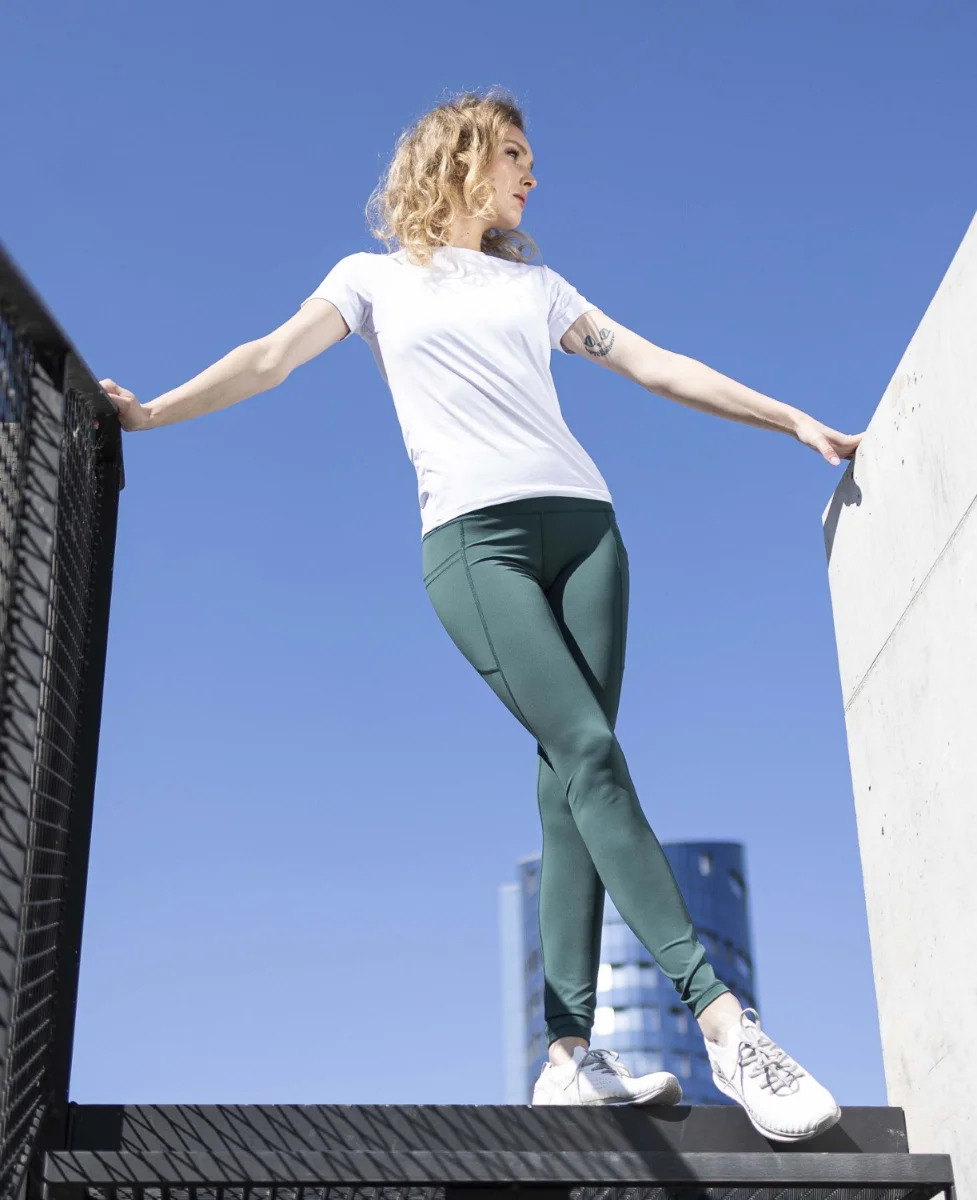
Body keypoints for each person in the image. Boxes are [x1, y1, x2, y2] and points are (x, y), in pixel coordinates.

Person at [101, 88, 862, 1142]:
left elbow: (652, 363)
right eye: (512, 153)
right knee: (589, 751)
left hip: (588, 535)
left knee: (569, 781)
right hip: (474, 543)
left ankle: (566, 1058)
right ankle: (728, 1026)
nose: (531, 174)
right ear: (455, 157)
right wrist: (152, 412)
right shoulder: (368, 280)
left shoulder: (537, 288)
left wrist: (788, 417)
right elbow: (269, 358)